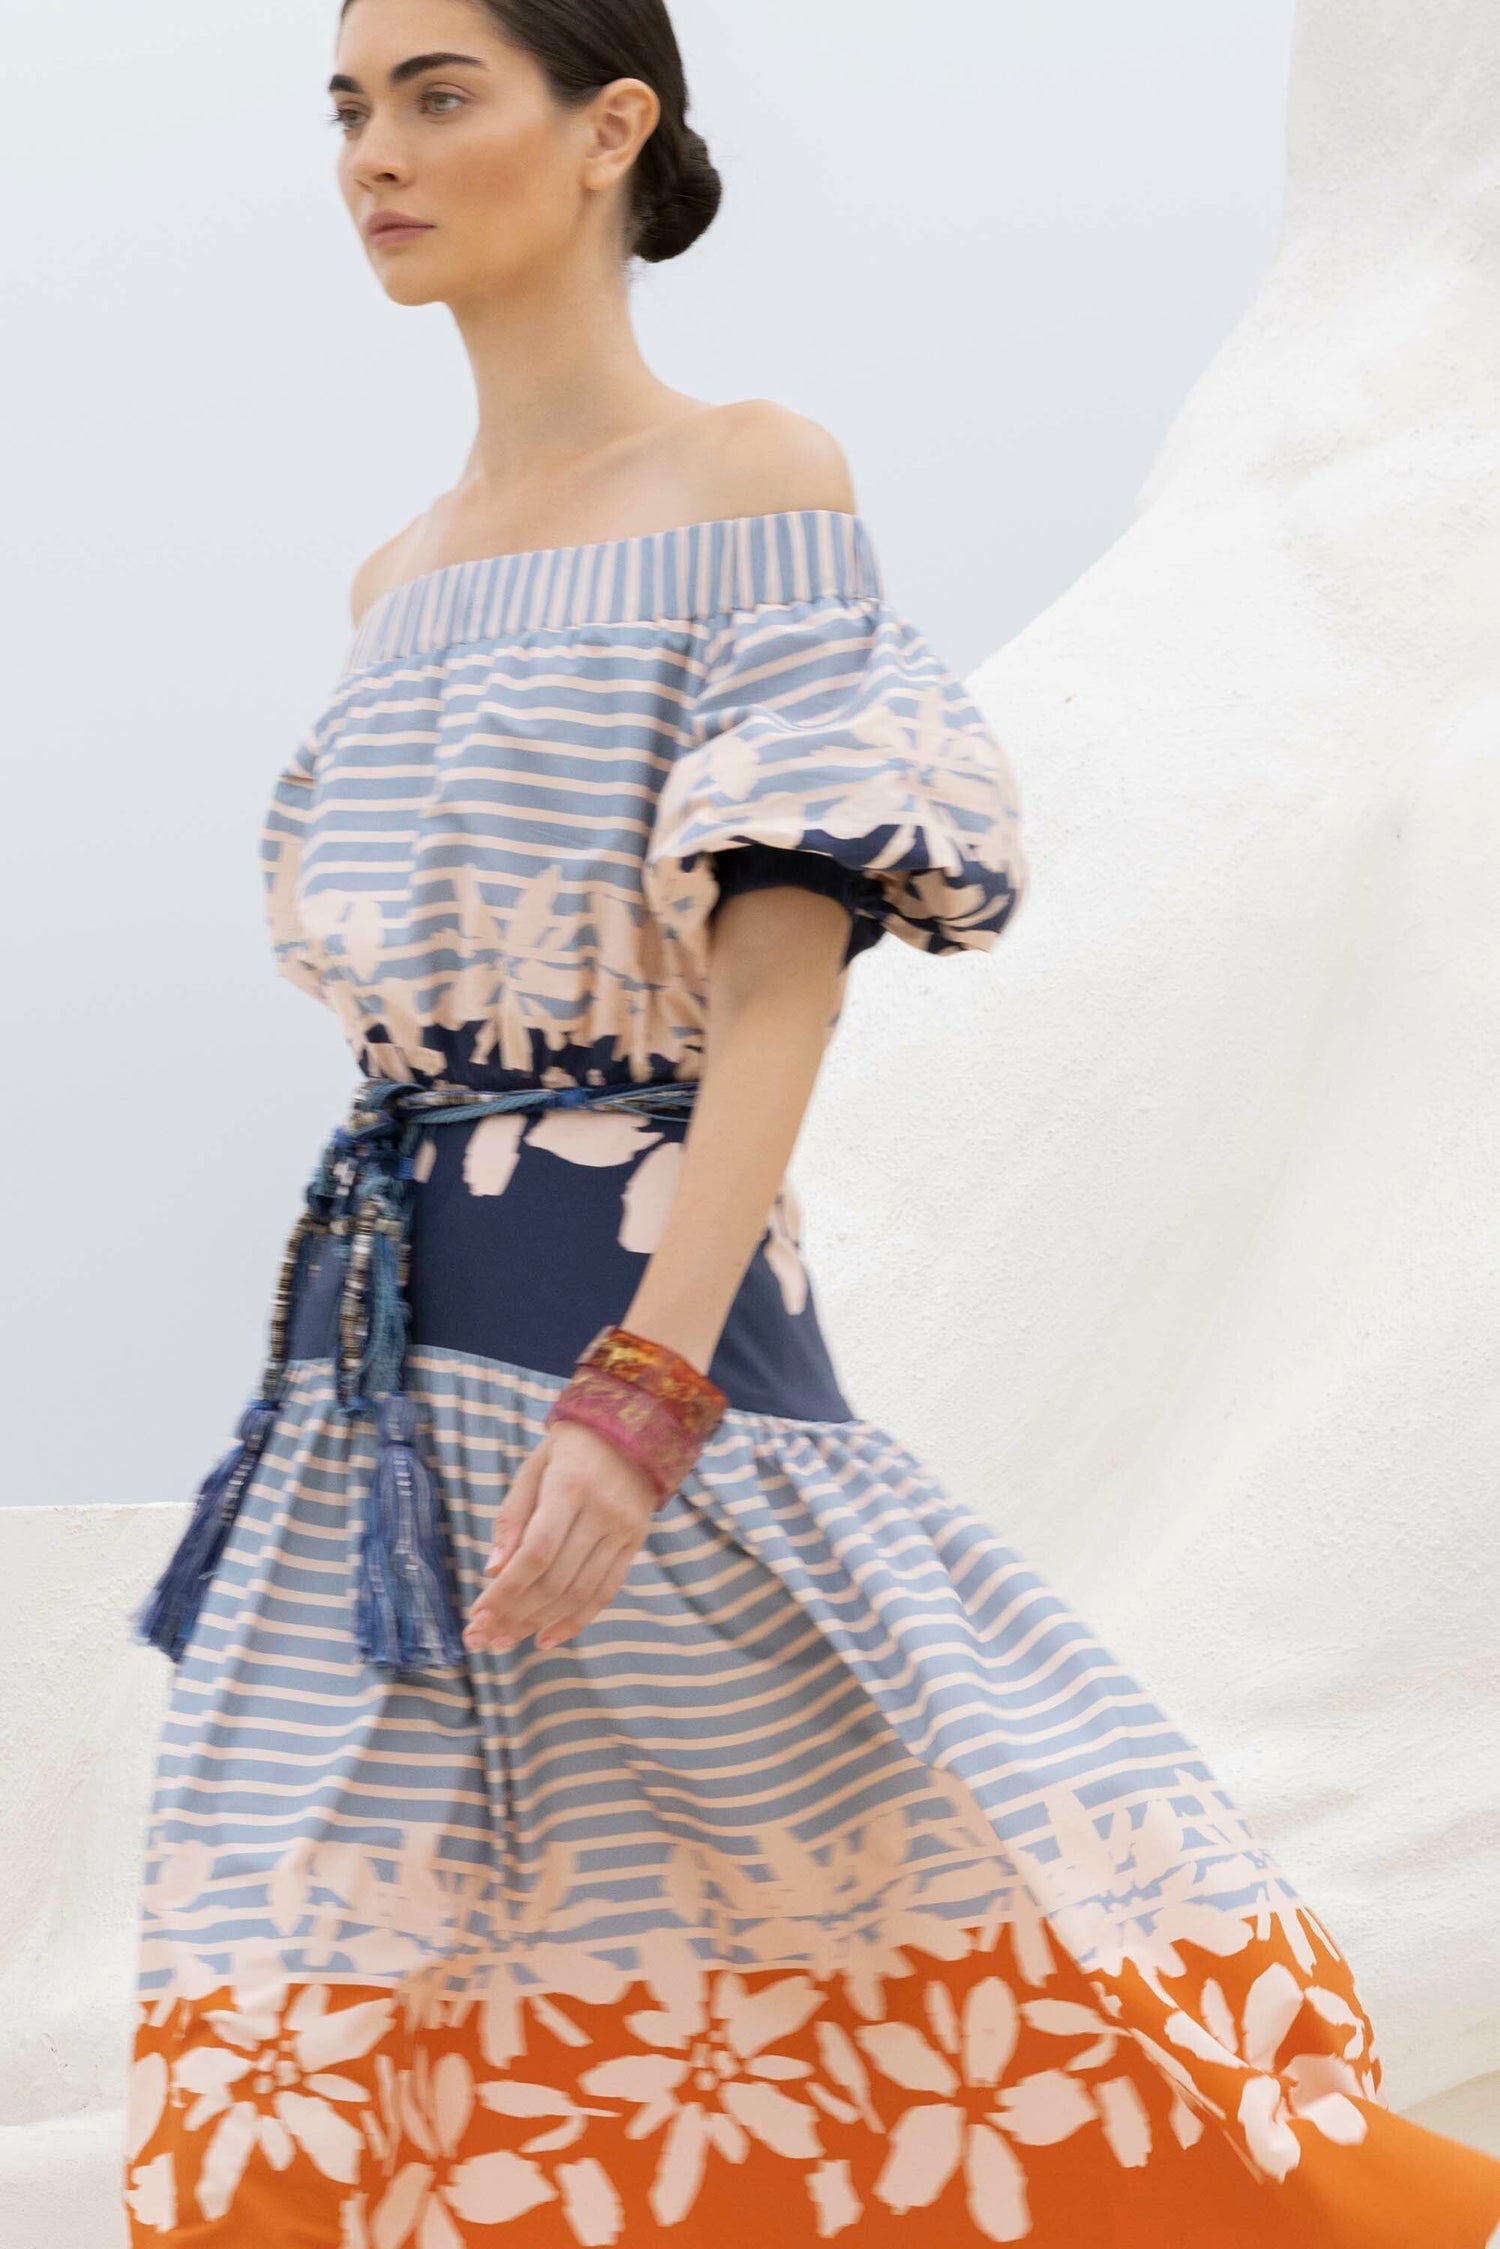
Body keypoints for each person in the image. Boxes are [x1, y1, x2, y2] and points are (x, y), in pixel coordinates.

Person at [122, 3, 1500, 2243]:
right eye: (351, 109)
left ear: (612, 131)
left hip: (641, 1346)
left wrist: (650, 1384)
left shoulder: (757, 478)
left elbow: (778, 983)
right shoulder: (387, 588)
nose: (374, 151)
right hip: (369, 1416)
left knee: (903, 1948)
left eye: (441, 93)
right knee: (311, 2003)